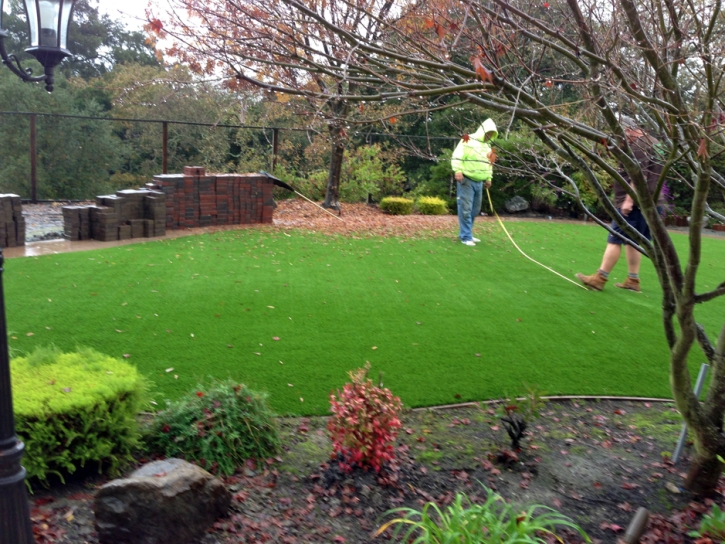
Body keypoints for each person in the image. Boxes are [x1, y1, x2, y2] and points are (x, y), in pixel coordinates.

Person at [576, 116, 665, 292]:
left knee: (615, 238)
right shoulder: (654, 142)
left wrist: (628, 201)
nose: (620, 138)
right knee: (633, 241)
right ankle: (633, 280)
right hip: (652, 202)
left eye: (621, 133)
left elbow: (639, 176)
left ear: (629, 129)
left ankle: (599, 278)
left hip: (634, 203)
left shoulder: (639, 147)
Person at [451, 118, 498, 246]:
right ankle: (466, 236)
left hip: (480, 182)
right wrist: (458, 170)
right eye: (488, 133)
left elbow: (489, 164)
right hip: (466, 179)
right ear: (483, 130)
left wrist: (489, 178)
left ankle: (467, 233)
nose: (489, 136)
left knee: (475, 209)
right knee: (465, 208)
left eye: (492, 134)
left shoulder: (489, 146)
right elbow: (457, 154)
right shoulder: (467, 139)